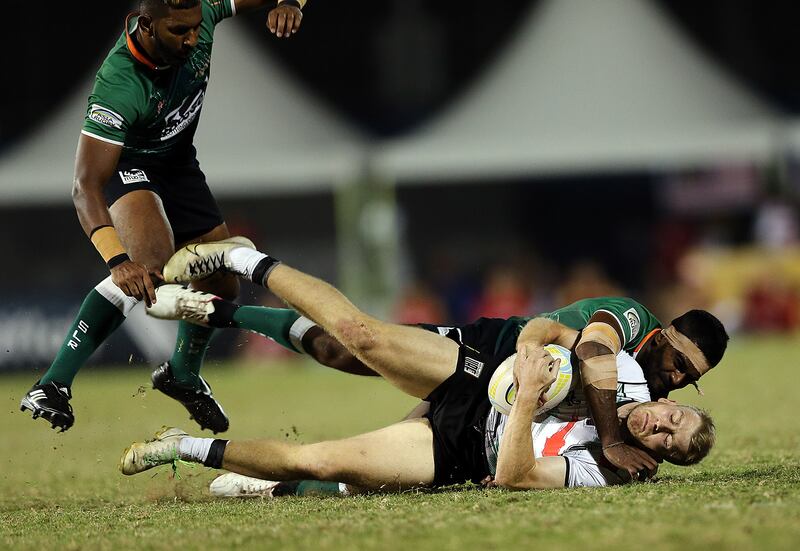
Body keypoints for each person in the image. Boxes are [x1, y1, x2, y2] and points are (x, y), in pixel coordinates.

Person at [121, 245, 715, 490]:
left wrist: (531, 396)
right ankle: (243, 261)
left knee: (334, 468)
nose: (675, 383)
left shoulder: (629, 469)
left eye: (671, 445)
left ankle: (187, 448)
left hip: (467, 442)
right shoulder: (629, 336)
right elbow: (568, 338)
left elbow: (514, 476)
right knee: (354, 341)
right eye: (676, 409)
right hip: (486, 363)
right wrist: (529, 355)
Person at [19, 0, 307, 433]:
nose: (192, 40)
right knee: (152, 263)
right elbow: (85, 187)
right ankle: (53, 383)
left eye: (195, 29)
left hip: (178, 163)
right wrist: (118, 260)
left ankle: (182, 375)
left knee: (219, 280)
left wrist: (290, 4)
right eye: (179, 32)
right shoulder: (119, 85)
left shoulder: (204, 10)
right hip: (128, 164)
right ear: (146, 24)